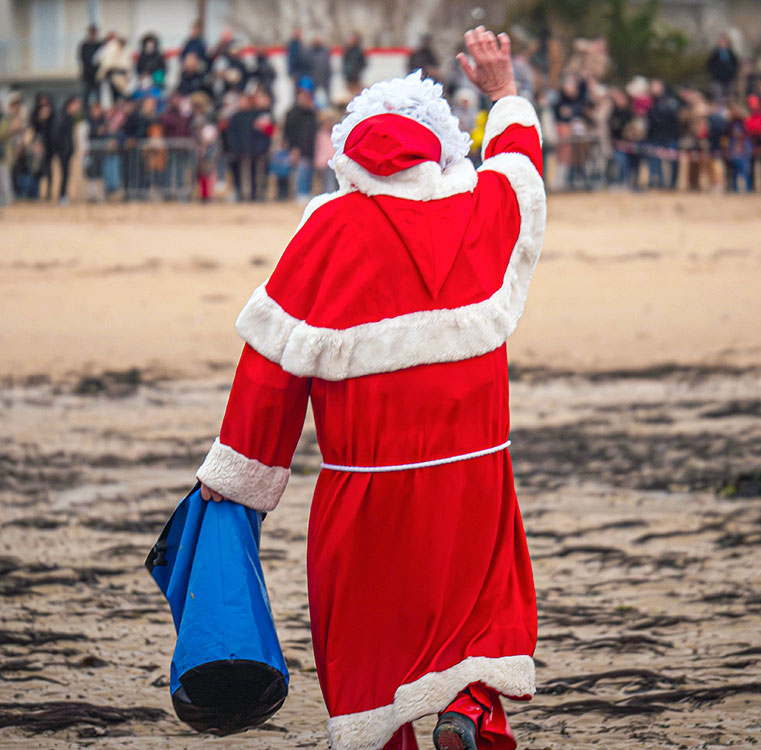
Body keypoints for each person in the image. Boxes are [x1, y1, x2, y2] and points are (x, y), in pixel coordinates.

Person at [196, 26, 541, 750]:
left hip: (365, 488)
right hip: (473, 475)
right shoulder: (477, 208)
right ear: (441, 149)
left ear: (347, 155)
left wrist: (237, 476)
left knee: (366, 631)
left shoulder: (324, 230)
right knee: (476, 609)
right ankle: (472, 708)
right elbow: (518, 172)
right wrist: (503, 94)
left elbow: (268, 369)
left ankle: (388, 736)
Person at [283, 85, 317, 203]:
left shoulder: (312, 113)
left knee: (308, 172)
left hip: (311, 149)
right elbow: (289, 132)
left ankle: (306, 192)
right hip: (298, 148)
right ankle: (300, 193)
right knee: (300, 173)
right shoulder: (293, 114)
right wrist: (293, 147)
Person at [48, 96, 78, 203]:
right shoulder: (62, 118)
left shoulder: (70, 118)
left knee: (66, 174)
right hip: (62, 151)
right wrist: (59, 149)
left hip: (67, 150)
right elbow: (55, 135)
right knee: (63, 173)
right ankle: (62, 195)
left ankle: (63, 195)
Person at [707, 34, 738, 103]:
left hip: (729, 78)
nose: (723, 44)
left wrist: (732, 73)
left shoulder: (730, 53)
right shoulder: (715, 53)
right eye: (722, 42)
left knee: (729, 96)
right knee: (718, 96)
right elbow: (709, 64)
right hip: (717, 78)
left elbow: (735, 64)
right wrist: (714, 73)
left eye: (725, 42)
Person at [78, 25, 103, 112]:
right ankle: (85, 112)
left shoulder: (100, 44)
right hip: (88, 74)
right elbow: (82, 59)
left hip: (97, 75)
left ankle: (98, 111)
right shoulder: (84, 45)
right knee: (86, 95)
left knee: (99, 96)